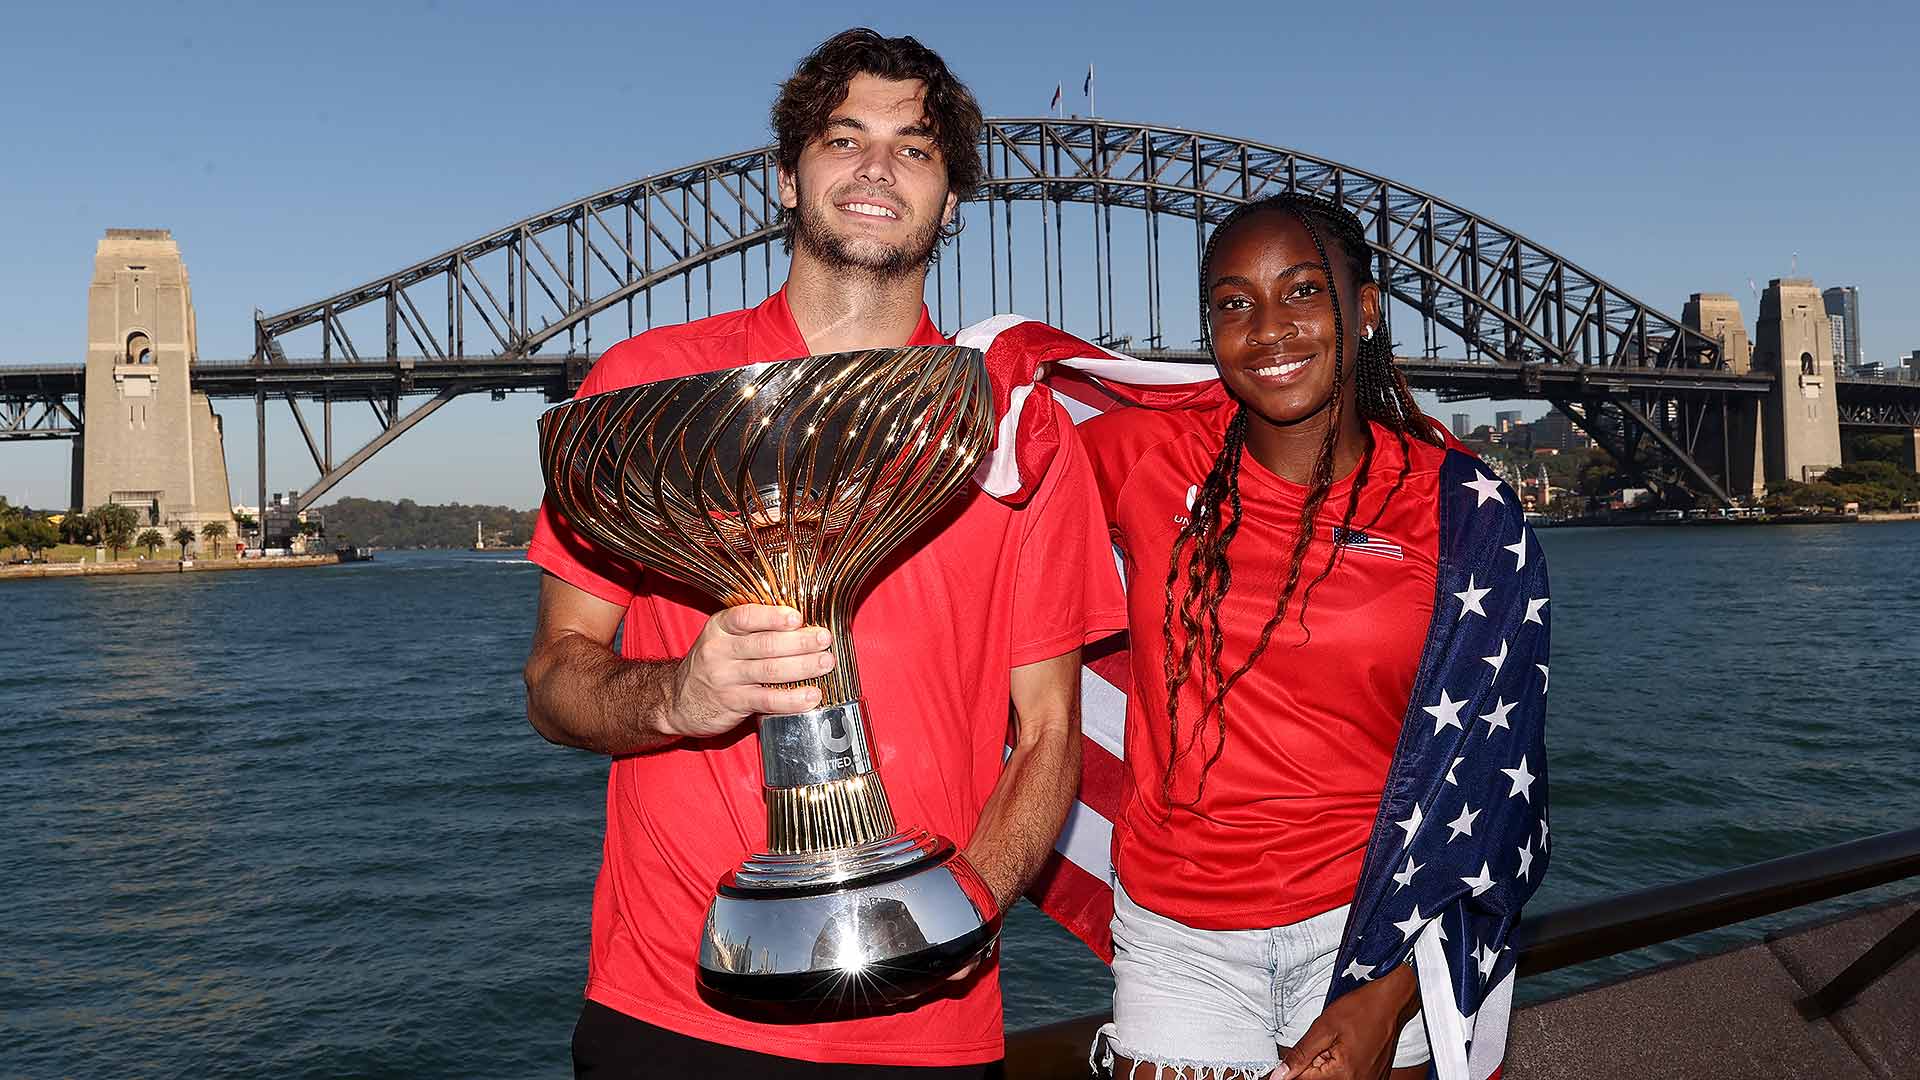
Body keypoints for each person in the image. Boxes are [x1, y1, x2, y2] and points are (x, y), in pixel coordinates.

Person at [521, 28, 1126, 1079]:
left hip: (926, 1030)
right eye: (844, 139)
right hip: (672, 1009)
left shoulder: (1018, 430)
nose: (877, 169)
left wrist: (962, 916)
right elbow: (553, 683)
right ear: (788, 179)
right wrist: (678, 696)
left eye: (915, 149)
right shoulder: (644, 393)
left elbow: (1051, 734)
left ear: (953, 201)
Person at [1076, 192, 1550, 1080]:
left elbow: (1494, 783)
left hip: (1372, 924)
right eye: (1232, 304)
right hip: (1177, 933)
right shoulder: (1143, 456)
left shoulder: (1460, 509)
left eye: (1301, 293)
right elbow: (976, 471)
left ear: (1363, 311)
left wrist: (1390, 990)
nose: (1268, 330)